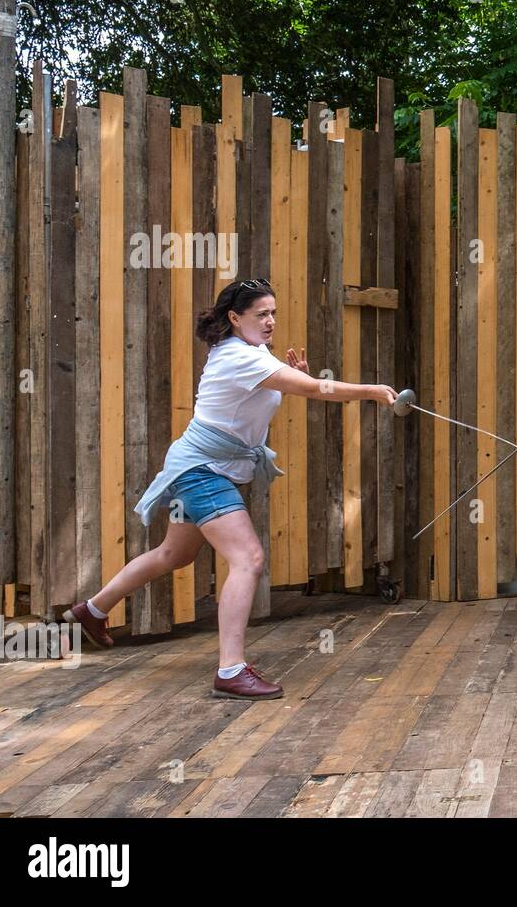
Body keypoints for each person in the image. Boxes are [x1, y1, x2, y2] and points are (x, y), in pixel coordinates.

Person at [63, 278, 397, 700]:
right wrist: (370, 391)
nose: (271, 320)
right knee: (248, 557)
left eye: (273, 312)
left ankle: (90, 611)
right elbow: (316, 391)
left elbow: (278, 390)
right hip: (202, 472)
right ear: (235, 318)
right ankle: (231, 669)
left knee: (174, 554)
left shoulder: (253, 351)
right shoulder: (240, 356)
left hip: (196, 467)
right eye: (261, 314)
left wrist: (292, 377)